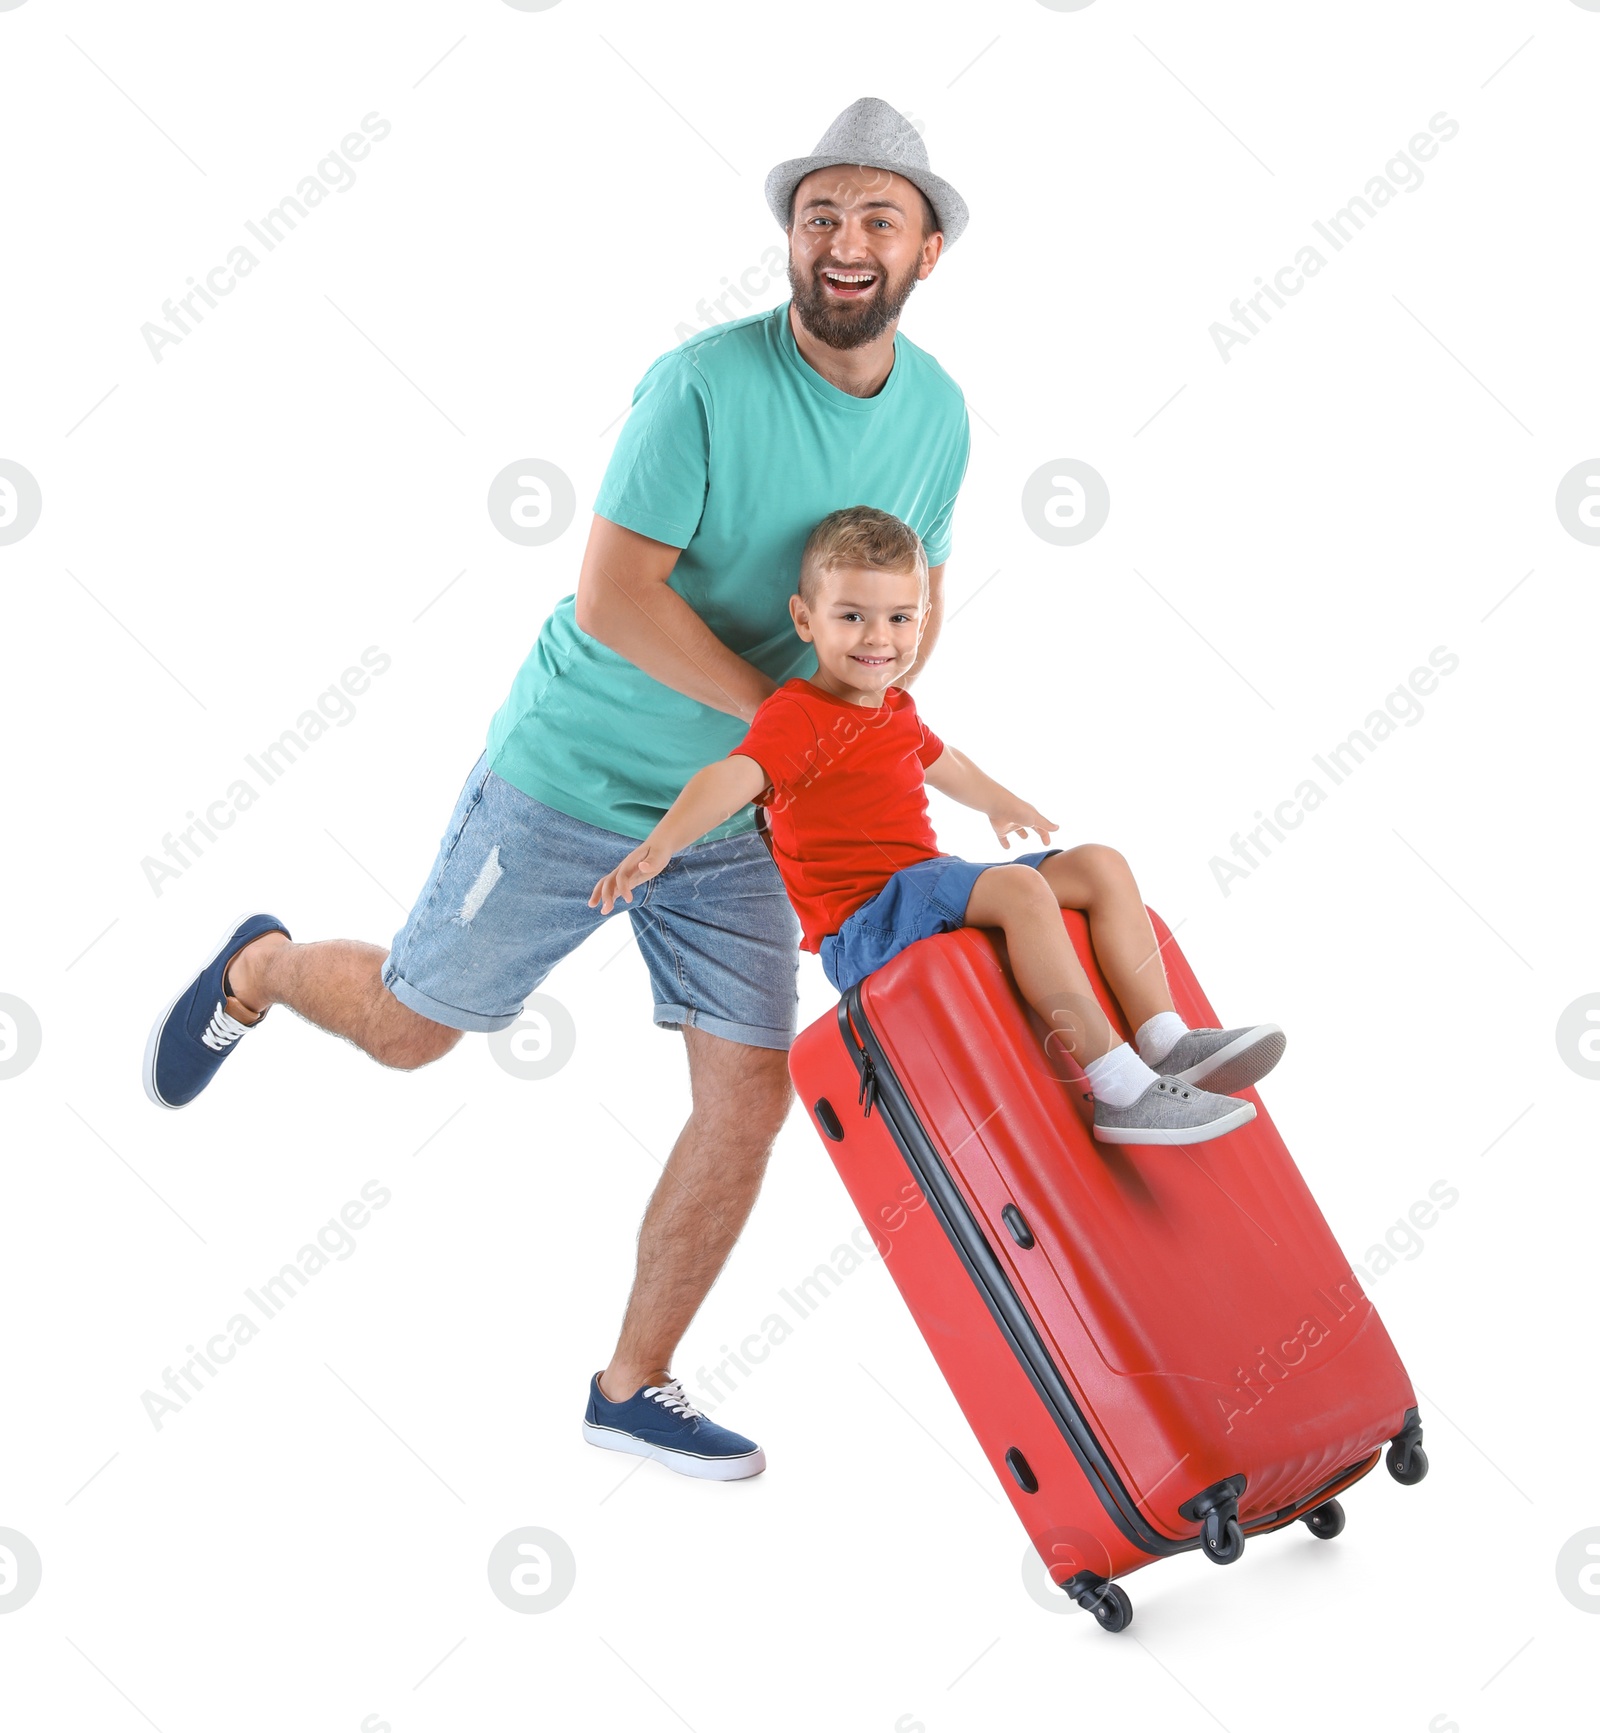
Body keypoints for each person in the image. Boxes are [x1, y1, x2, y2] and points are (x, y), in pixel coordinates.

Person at [142, 99, 972, 1482]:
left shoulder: (938, 413)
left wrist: (846, 740)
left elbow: (911, 594)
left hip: (739, 820)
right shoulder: (701, 386)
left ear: (928, 251)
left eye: (878, 218)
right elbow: (615, 598)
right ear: (790, 236)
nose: (844, 242)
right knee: (412, 1033)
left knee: (748, 1096)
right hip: (576, 777)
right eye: (820, 214)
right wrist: (785, 723)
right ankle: (264, 968)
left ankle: (630, 1386)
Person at [592, 507, 1286, 1145]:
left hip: (924, 887)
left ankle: (1165, 1041)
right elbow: (734, 776)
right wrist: (663, 842)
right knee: (1019, 893)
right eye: (853, 616)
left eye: (899, 618)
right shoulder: (796, 715)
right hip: (864, 923)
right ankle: (1120, 1087)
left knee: (1100, 863)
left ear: (921, 623)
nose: (878, 638)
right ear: (805, 618)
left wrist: (1000, 801)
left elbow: (942, 762)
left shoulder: (894, 706)